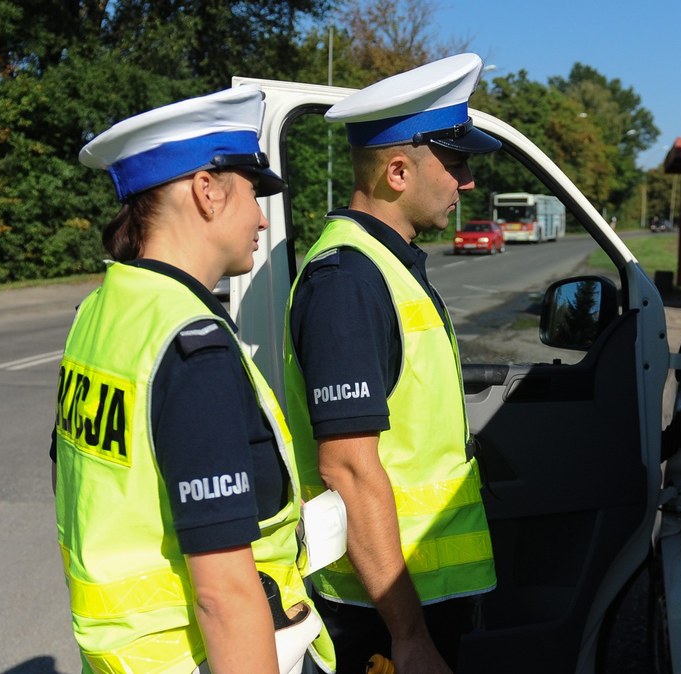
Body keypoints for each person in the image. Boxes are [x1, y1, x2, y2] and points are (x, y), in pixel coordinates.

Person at [52, 87, 334, 674]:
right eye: (253, 193)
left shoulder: (100, 314)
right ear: (207, 191)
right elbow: (224, 596)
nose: (261, 216)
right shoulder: (190, 344)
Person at [283, 54, 499, 673]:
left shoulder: (384, 263)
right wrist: (407, 636)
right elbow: (348, 468)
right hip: (383, 612)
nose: (467, 182)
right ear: (398, 171)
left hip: (418, 595)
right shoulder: (348, 280)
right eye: (455, 162)